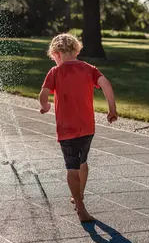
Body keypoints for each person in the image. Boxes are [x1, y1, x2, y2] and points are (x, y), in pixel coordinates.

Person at [39, 33, 117, 222]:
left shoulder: (55, 72)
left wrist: (45, 106)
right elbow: (106, 84)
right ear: (76, 50)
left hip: (67, 130)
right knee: (83, 162)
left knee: (71, 167)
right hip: (87, 127)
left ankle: (80, 207)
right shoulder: (89, 69)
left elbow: (44, 93)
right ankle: (78, 195)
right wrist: (112, 109)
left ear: (56, 53)